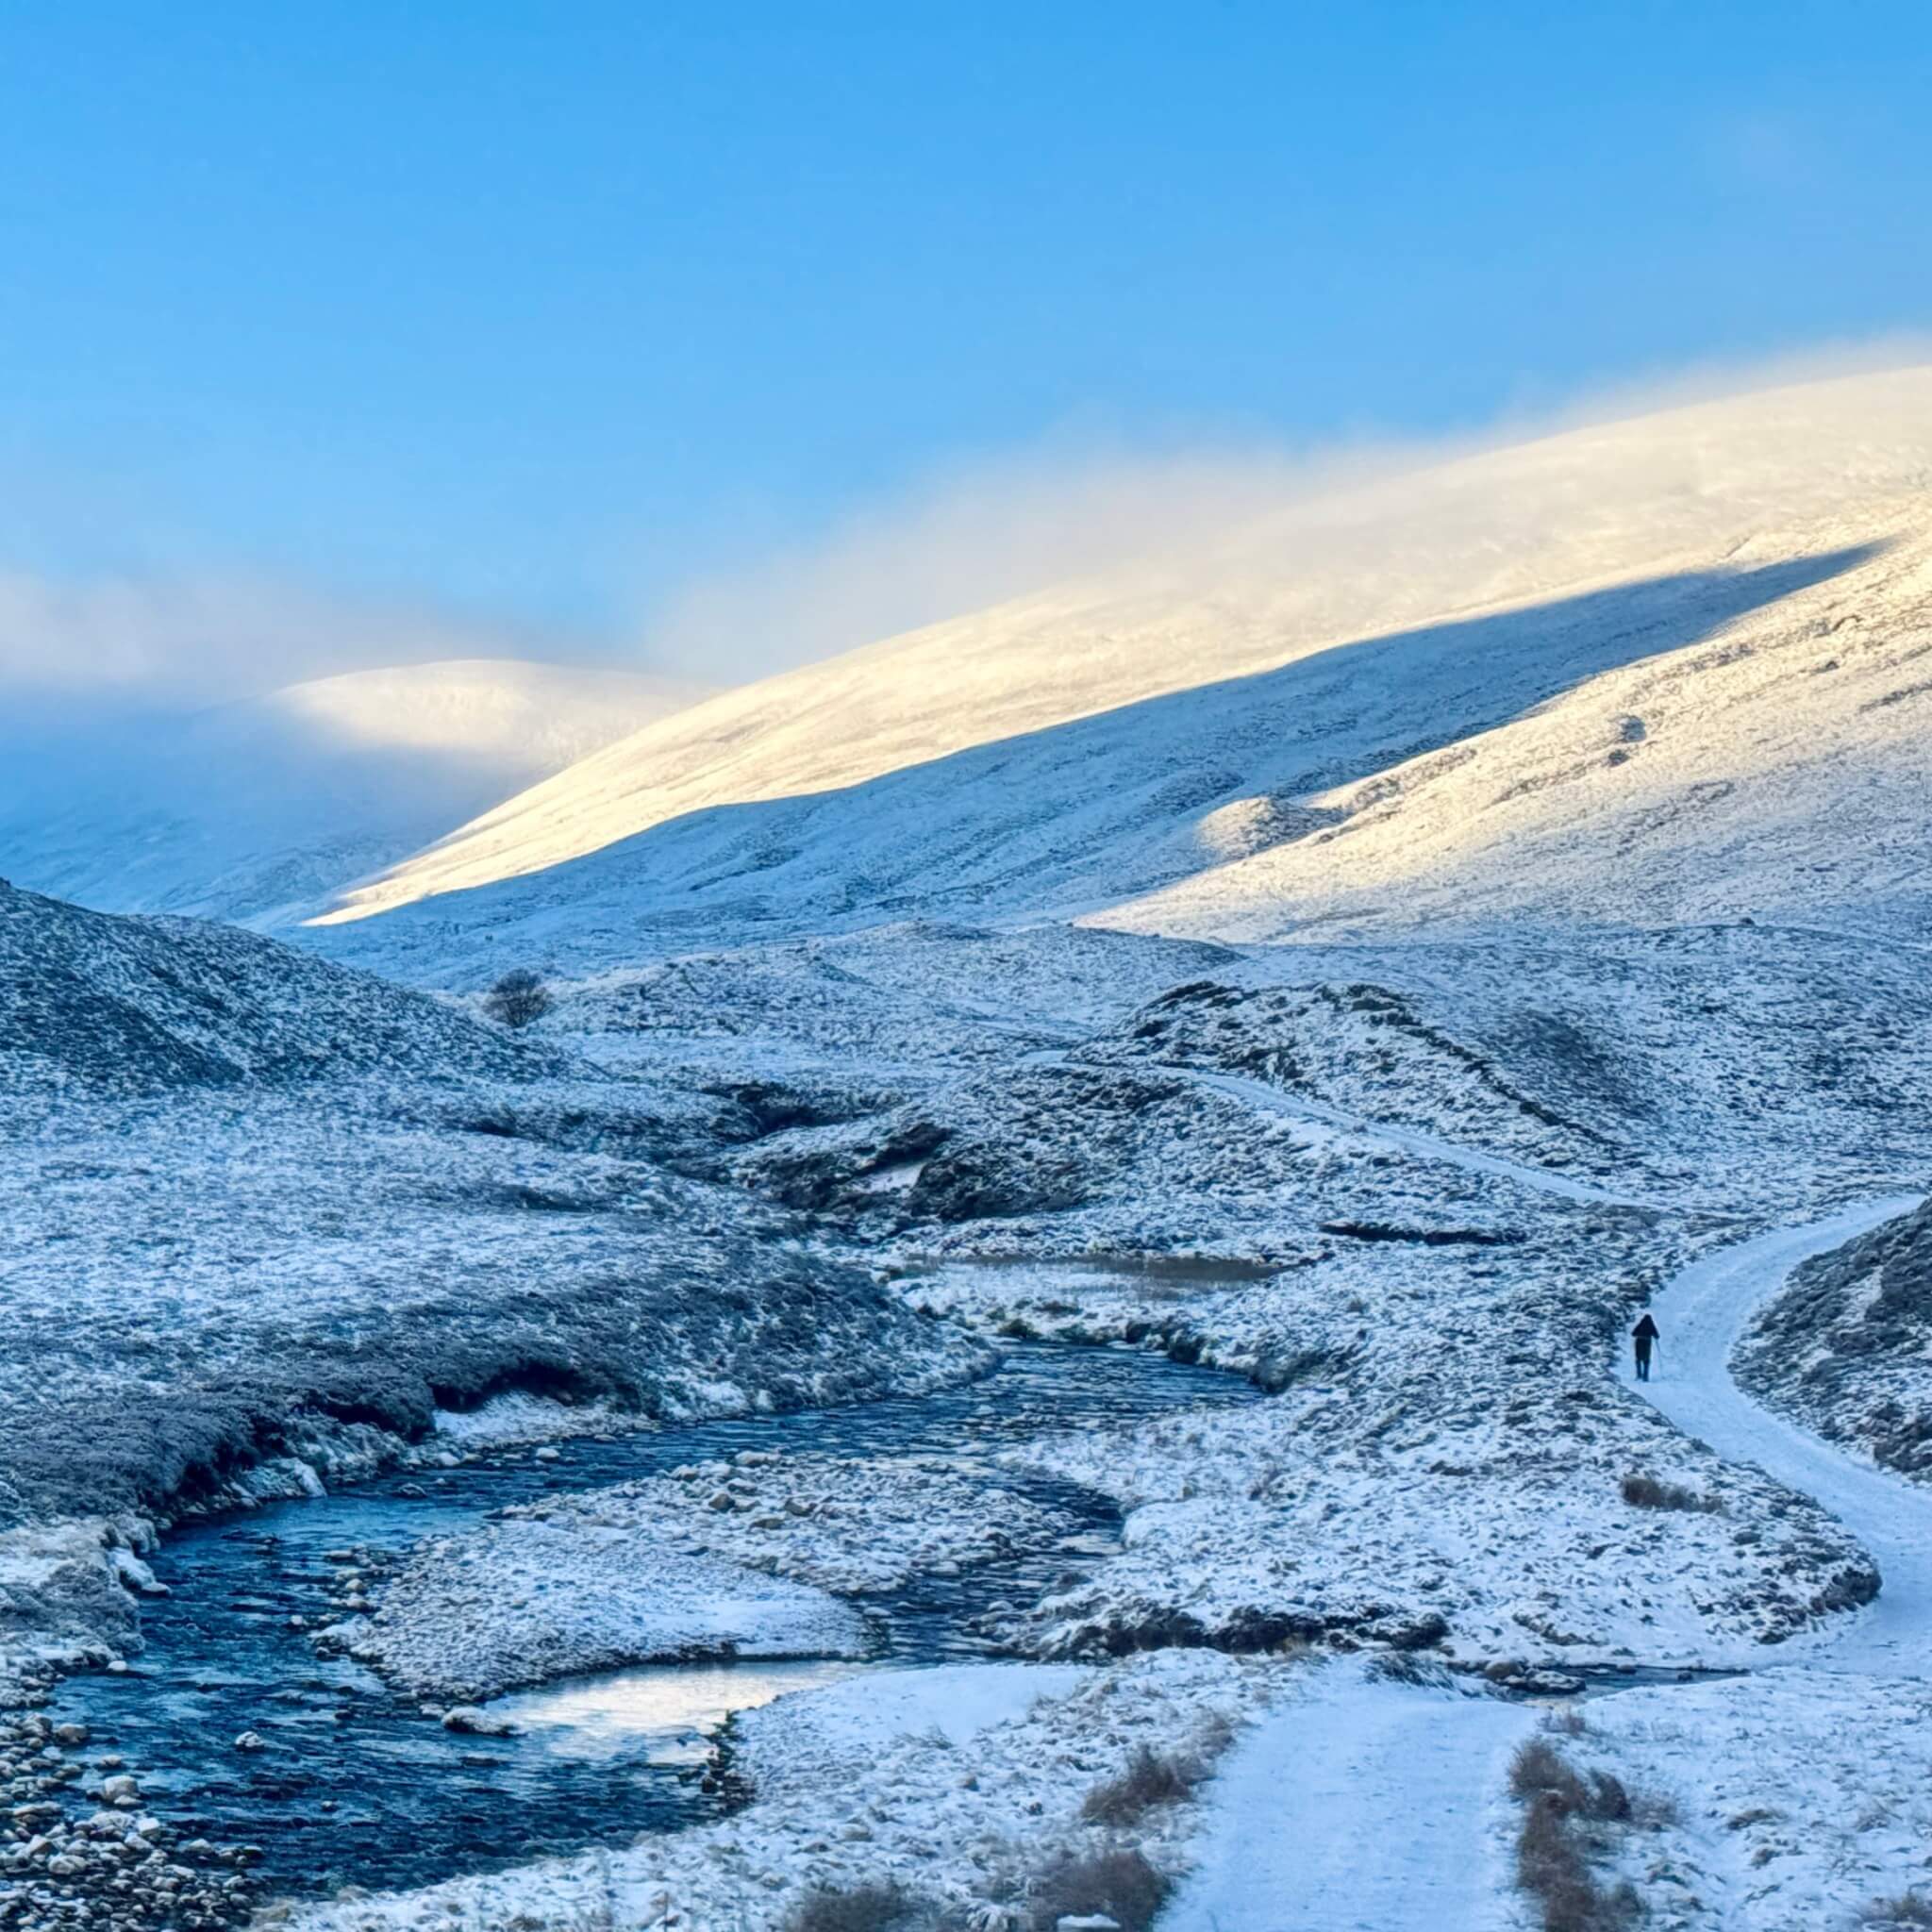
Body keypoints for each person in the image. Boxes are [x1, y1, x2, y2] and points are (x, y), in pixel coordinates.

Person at [1631, 1312, 1660, 1382]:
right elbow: (1657, 1336)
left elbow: (1633, 1333)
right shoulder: (1651, 1325)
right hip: (1647, 1342)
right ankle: (1645, 1376)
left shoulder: (1640, 1324)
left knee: (1638, 1359)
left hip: (1639, 1342)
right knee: (1646, 1359)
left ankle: (1639, 1375)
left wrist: (1639, 1334)